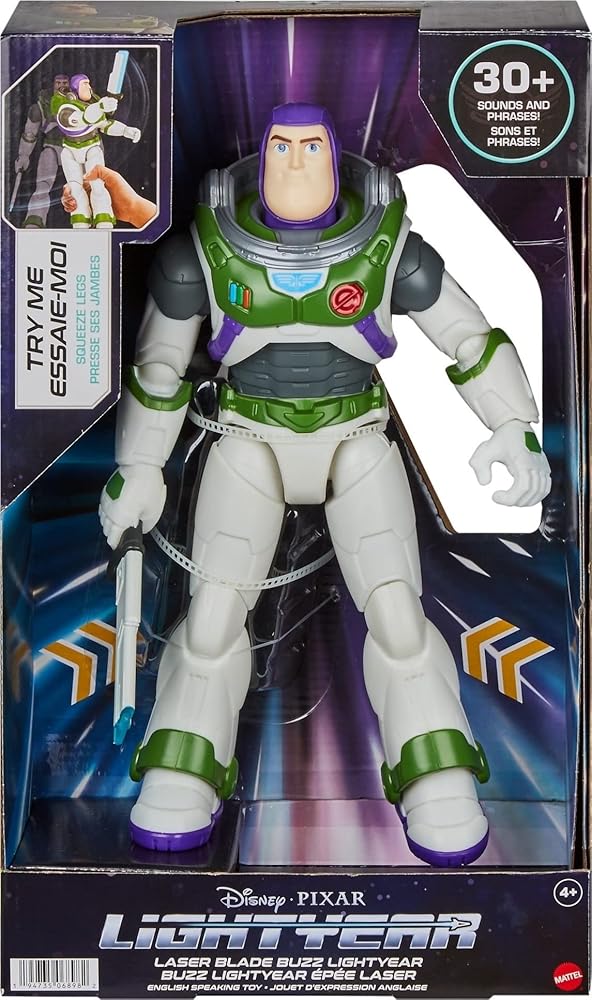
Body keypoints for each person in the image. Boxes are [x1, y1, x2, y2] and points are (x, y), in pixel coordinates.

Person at [99, 103, 550, 865]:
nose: (296, 160)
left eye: (312, 146)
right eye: (283, 145)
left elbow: (468, 334)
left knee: (398, 615)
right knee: (213, 616)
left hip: (356, 439)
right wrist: (139, 468)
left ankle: (436, 770)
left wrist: (512, 424)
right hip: (249, 439)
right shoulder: (204, 250)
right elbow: (159, 367)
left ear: (336, 158)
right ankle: (184, 764)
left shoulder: (385, 246)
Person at [51, 73, 141, 228]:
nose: (88, 87)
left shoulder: (93, 105)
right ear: (74, 89)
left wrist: (126, 130)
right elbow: (80, 119)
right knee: (75, 187)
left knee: (97, 185)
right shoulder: (65, 106)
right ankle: (80, 220)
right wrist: (100, 107)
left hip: (92, 148)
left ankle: (103, 217)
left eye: (89, 83)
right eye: (84, 84)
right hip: (70, 152)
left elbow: (104, 125)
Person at [13, 73, 69, 228]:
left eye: (65, 82)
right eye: (58, 82)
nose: (62, 86)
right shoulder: (41, 106)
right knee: (42, 186)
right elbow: (30, 134)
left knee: (84, 187)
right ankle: (34, 221)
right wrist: (23, 155)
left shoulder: (80, 102)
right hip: (52, 148)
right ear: (53, 84)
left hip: (76, 149)